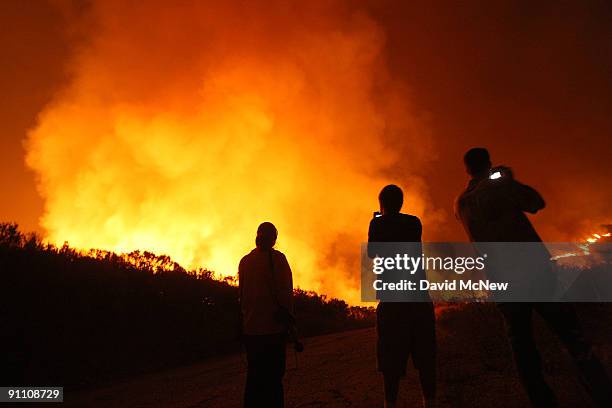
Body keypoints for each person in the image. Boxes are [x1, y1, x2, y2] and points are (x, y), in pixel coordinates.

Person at [456, 147, 612, 408]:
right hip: (534, 275)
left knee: (522, 347)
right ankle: (602, 393)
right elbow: (536, 203)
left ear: (467, 170)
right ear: (489, 163)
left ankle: (541, 400)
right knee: (571, 334)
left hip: (503, 283)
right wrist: (509, 179)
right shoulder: (499, 188)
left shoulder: (461, 202)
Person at [368, 184, 437, 408]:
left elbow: (372, 252)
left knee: (391, 361)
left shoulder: (377, 224)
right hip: (418, 297)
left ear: (382, 204)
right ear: (401, 203)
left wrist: (378, 220)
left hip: (392, 300)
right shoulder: (414, 222)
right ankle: (430, 402)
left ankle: (391, 404)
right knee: (425, 358)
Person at [239, 222, 294, 408]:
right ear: (273, 239)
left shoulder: (245, 261)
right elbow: (286, 293)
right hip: (273, 331)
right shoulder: (278, 259)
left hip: (251, 330)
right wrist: (289, 322)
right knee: (274, 379)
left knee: (254, 379)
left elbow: (242, 296)